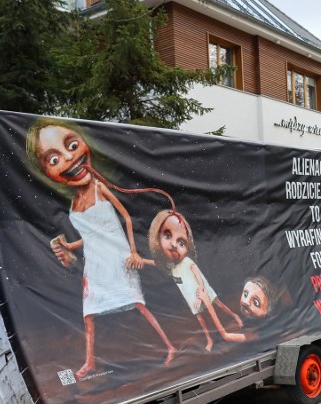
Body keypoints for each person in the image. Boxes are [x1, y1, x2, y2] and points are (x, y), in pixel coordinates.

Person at [26, 118, 176, 379]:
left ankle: (170, 347)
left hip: (118, 258)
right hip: (95, 264)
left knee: (138, 305)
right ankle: (90, 362)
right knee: (89, 314)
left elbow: (126, 218)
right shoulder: (73, 203)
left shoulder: (99, 187)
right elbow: (89, 236)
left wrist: (133, 251)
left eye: (72, 144)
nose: (68, 159)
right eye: (52, 160)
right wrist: (68, 246)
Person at [147, 209, 245, 352]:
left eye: (181, 243)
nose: (174, 245)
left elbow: (197, 274)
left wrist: (201, 289)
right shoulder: (171, 267)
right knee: (200, 318)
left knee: (219, 304)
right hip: (191, 297)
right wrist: (142, 260)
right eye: (168, 236)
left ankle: (234, 316)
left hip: (202, 290)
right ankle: (209, 339)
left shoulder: (186, 261)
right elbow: (157, 263)